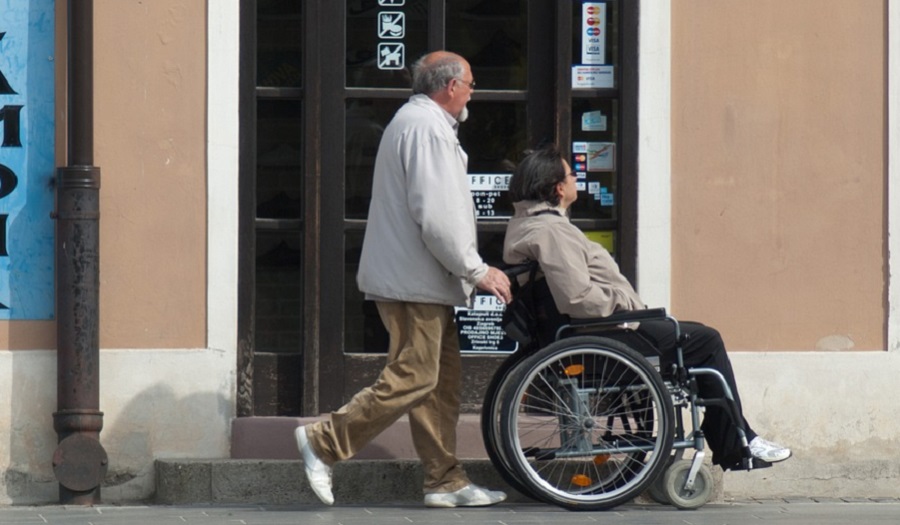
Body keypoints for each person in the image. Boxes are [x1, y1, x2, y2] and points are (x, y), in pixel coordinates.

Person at [295, 51, 512, 508]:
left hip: (420, 279)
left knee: (439, 383)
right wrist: (476, 268)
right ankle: (323, 441)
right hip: (414, 280)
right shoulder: (426, 128)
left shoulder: (421, 124)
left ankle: (444, 480)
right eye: (471, 83)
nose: (473, 92)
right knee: (415, 376)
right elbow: (437, 216)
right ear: (450, 86)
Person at [502, 145, 791, 471]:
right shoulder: (552, 231)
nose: (575, 179)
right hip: (601, 332)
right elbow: (577, 298)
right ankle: (738, 439)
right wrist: (626, 305)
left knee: (693, 335)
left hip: (591, 332)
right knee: (706, 341)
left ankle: (734, 435)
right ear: (558, 187)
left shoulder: (529, 225)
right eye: (572, 174)